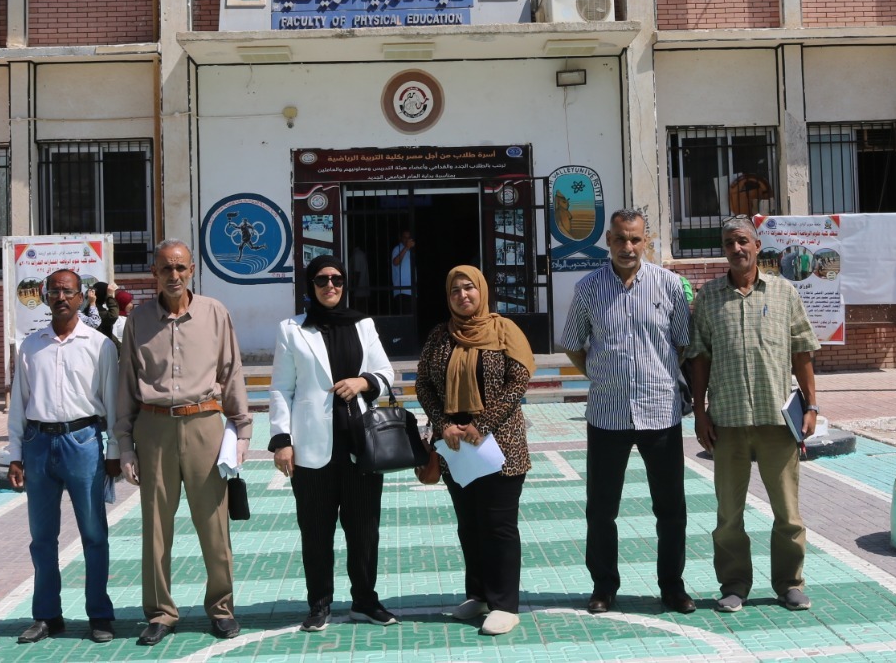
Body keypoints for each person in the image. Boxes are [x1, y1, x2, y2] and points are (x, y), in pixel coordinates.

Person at [115, 240, 252, 647]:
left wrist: (242, 431)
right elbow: (126, 383)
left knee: (214, 524)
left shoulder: (215, 313)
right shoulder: (138, 320)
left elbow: (231, 371)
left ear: (192, 270)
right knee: (156, 527)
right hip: (153, 429)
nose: (173, 275)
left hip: (204, 425)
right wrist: (125, 445)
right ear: (154, 274)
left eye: (180, 268)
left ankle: (221, 608)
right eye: (165, 268)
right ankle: (160, 612)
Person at [560, 209, 695, 615]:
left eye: (635, 239)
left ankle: (672, 587)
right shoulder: (588, 288)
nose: (628, 247)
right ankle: (604, 587)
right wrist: (600, 374)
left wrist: (660, 374)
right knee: (602, 509)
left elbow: (683, 343)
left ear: (646, 241)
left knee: (671, 509)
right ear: (608, 240)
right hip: (608, 414)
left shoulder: (669, 285)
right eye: (620, 238)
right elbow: (573, 343)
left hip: (661, 412)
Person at [688, 218, 820, 612]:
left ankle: (789, 584)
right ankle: (734, 585)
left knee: (788, 513)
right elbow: (699, 358)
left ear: (757, 245)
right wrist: (699, 412)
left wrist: (812, 406)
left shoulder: (783, 293)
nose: (737, 248)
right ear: (724, 249)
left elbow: (802, 351)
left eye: (743, 241)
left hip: (777, 421)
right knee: (729, 514)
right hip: (727, 422)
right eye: (729, 242)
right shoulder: (709, 297)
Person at [268, 254, 398, 632]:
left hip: (360, 444)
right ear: (311, 285)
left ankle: (365, 600)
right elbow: (281, 388)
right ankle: (319, 603)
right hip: (311, 447)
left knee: (364, 529)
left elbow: (386, 373)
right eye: (322, 280)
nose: (330, 286)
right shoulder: (292, 329)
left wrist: (363, 382)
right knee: (316, 530)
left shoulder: (363, 324)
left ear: (345, 283)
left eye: (337, 279)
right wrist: (282, 440)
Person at [415, 265, 535, 636]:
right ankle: (479, 595)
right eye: (455, 290)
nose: (463, 295)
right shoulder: (440, 335)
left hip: (499, 444)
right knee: (469, 525)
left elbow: (518, 382)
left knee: (498, 525)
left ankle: (504, 605)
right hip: (455, 446)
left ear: (482, 291)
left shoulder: (504, 330)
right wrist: (444, 424)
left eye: (469, 288)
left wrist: (480, 426)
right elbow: (423, 385)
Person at [5, 268, 121, 645]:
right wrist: (15, 454)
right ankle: (47, 616)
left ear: (81, 296)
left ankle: (99, 615)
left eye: (68, 292)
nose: (61, 298)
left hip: (83, 442)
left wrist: (114, 450)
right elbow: (19, 404)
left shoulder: (99, 345)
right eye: (54, 291)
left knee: (94, 534)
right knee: (42, 537)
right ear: (44, 297)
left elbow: (113, 403)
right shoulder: (31, 346)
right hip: (38, 444)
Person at [391, 231, 416, 313]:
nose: (407, 240)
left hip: (412, 291)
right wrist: (406, 248)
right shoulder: (397, 248)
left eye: (409, 238)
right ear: (401, 238)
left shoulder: (411, 251)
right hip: (402, 291)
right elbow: (395, 262)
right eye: (405, 238)